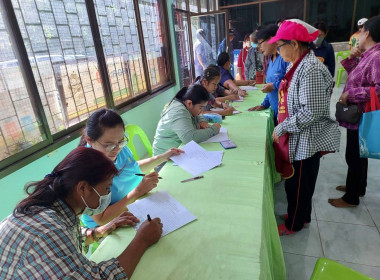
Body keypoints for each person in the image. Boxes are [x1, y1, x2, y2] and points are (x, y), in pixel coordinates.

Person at [0, 147, 163, 279]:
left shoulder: (52, 207)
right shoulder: (48, 229)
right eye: (107, 188)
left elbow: (63, 241)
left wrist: (99, 231)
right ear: (83, 188)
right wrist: (142, 240)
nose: (109, 195)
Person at [269, 19, 340, 235]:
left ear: (294, 44)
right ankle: (301, 215)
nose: (278, 50)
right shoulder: (297, 64)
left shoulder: (310, 69)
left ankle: (295, 224)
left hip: (307, 140)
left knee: (299, 184)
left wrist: (281, 128)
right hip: (299, 137)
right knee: (298, 183)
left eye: (280, 46)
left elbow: (312, 112)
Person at [78, 109, 183, 228]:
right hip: (107, 225)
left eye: (121, 141)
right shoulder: (85, 170)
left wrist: (162, 157)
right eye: (109, 145)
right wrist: (137, 192)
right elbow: (101, 219)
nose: (117, 149)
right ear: (89, 140)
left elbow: (131, 168)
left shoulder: (117, 147)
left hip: (132, 205)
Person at [328, 15, 380, 208]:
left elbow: (379, 89)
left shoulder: (376, 57)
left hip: (362, 114)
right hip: (358, 114)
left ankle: (351, 198)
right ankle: (358, 187)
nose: (358, 35)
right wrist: (352, 58)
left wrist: (351, 94)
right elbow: (358, 77)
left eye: (361, 31)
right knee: (359, 154)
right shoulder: (369, 55)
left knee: (354, 155)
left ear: (368, 33)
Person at [153, 85, 221, 155]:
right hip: (164, 159)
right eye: (200, 108)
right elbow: (190, 137)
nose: (202, 111)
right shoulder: (179, 111)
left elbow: (197, 115)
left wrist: (202, 121)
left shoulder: (185, 105)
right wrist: (214, 129)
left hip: (177, 152)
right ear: (189, 103)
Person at [248, 24, 289, 122]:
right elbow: (270, 88)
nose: (259, 47)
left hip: (286, 115)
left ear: (272, 39)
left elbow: (291, 83)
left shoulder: (285, 59)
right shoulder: (271, 60)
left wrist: (274, 86)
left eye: (260, 43)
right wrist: (264, 104)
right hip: (275, 113)